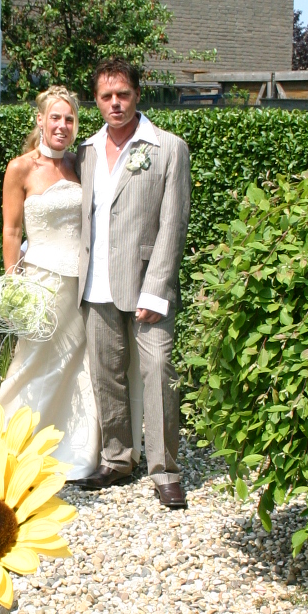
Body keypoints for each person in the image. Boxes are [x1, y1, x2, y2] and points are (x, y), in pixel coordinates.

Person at [76, 56, 191, 507]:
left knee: (158, 371)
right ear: (97, 101)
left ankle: (166, 471)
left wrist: (157, 290)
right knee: (106, 375)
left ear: (137, 95)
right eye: (106, 96)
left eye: (123, 94)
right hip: (96, 285)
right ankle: (117, 459)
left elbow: (173, 225)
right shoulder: (86, 151)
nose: (116, 103)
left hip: (147, 285)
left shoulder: (168, 148)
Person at [0, 87, 100, 478]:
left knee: (77, 365)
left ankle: (72, 451)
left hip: (81, 284)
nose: (62, 125)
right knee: (33, 362)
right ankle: (12, 446)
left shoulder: (79, 164)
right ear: (40, 120)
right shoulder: (20, 168)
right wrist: (13, 285)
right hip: (40, 282)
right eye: (55, 117)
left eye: (69, 119)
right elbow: (11, 231)